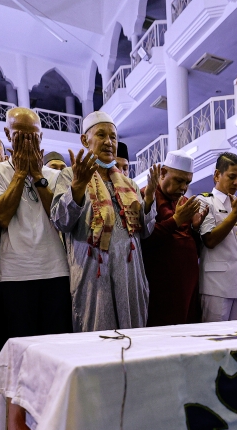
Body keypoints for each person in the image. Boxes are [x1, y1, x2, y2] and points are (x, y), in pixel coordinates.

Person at [51, 110, 156, 331]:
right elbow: (61, 221)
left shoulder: (130, 184)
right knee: (97, 339)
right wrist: (78, 187)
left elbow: (146, 232)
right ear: (84, 140)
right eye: (101, 135)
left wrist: (148, 200)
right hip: (93, 276)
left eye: (113, 137)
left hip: (131, 275)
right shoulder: (70, 175)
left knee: (134, 337)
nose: (109, 142)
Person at [0, 108, 71, 338]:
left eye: (33, 136)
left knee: (57, 343)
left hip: (56, 271)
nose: (27, 141)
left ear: (41, 137)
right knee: (21, 346)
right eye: (20, 135)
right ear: (7, 133)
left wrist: (37, 176)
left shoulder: (54, 175)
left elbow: (60, 218)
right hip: (16, 275)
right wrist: (21, 173)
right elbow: (1, 217)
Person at [142, 150, 201, 326]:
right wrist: (176, 220)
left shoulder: (182, 202)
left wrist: (195, 227)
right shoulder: (147, 196)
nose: (183, 188)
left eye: (187, 182)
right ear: (162, 173)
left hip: (187, 286)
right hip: (161, 288)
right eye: (179, 180)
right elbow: (145, 239)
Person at [197, 152, 237, 322]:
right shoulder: (205, 201)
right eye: (231, 177)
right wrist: (235, 213)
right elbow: (210, 240)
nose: (236, 183)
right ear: (216, 175)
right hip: (217, 286)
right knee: (216, 341)